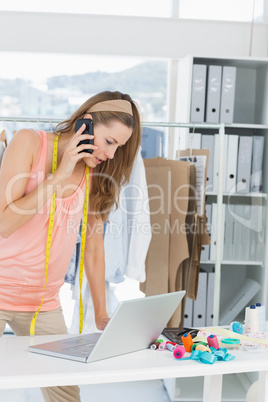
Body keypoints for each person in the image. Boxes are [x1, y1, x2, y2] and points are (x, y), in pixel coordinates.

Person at [0, 90, 141, 401]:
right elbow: (5, 224)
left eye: (119, 147)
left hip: (43, 301)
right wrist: (59, 174)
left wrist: (102, 313)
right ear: (86, 124)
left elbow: (93, 248)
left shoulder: (95, 174)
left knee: (65, 392)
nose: (112, 154)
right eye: (109, 142)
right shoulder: (29, 142)